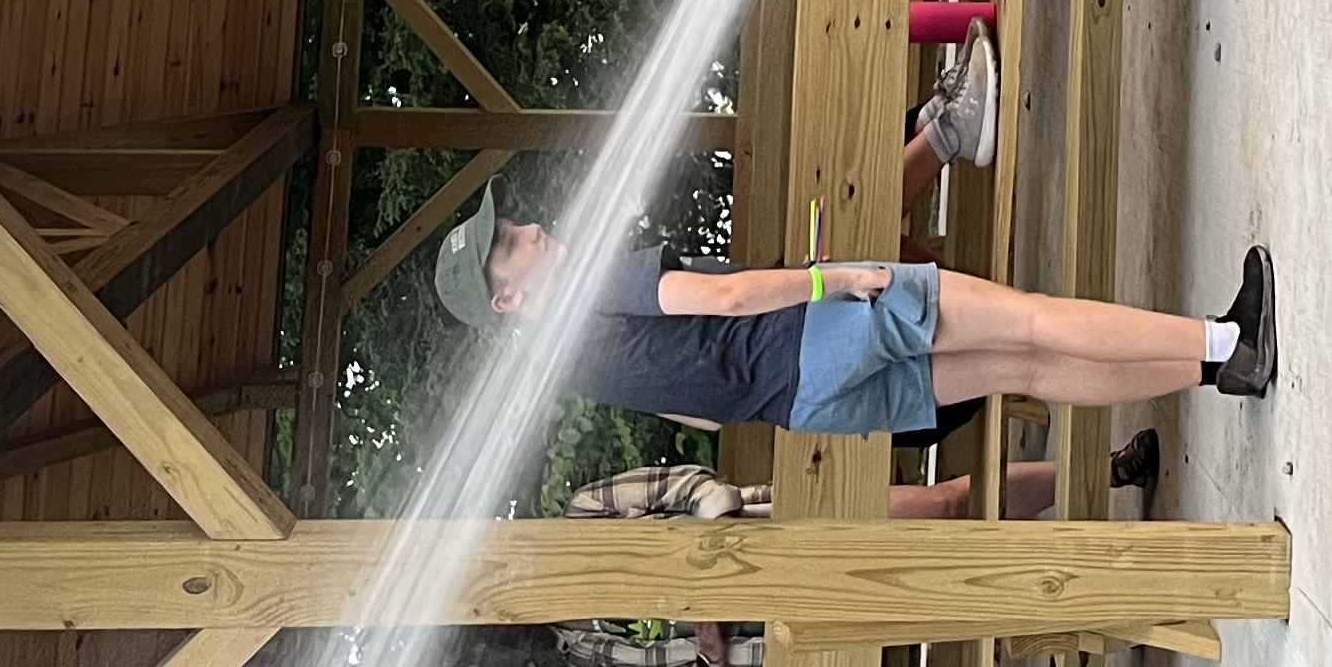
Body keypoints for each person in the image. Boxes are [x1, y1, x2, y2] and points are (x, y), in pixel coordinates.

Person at [431, 199, 1279, 430]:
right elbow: (724, 298)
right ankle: (1228, 340)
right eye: (513, 241)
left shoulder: (576, 370)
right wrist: (826, 279)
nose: (535, 229)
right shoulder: (595, 292)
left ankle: (1213, 372)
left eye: (516, 224)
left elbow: (694, 417)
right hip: (815, 327)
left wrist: (778, 380)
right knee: (1028, 320)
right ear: (507, 298)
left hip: (806, 404)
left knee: (1021, 371)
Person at [545, 440, 1163, 667]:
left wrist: (715, 555)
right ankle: (1122, 591)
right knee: (966, 597)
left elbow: (688, 486)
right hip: (801, 623)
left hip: (790, 524)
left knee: (947, 507)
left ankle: (1106, 472)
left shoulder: (579, 516)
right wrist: (710, 659)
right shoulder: (587, 662)